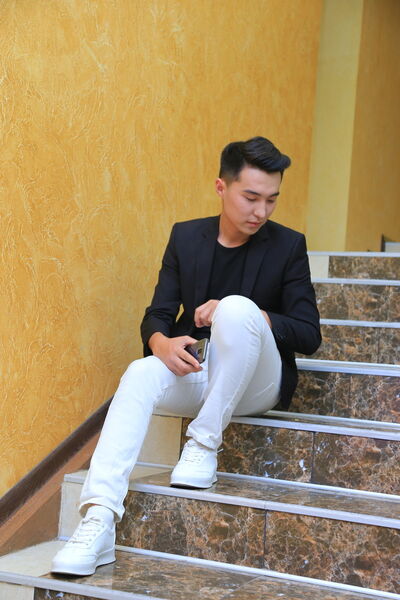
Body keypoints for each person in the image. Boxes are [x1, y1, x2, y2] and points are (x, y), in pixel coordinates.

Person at [51, 136, 321, 576]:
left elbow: (309, 334)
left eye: (272, 200)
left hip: (258, 382)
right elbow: (158, 314)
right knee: (140, 372)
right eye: (251, 197)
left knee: (236, 308)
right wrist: (161, 344)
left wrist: (241, 312)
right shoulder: (186, 237)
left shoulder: (288, 245)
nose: (261, 211)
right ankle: (98, 519)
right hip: (201, 369)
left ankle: (203, 444)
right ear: (221, 187)